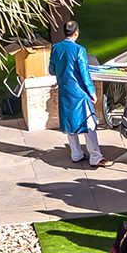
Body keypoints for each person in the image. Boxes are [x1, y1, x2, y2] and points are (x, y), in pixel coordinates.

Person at [50, 21, 109, 168]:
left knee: (70, 122)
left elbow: (52, 69)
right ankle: (95, 157)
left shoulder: (56, 48)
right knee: (89, 124)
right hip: (79, 92)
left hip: (64, 90)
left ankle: (76, 154)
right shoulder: (79, 50)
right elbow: (84, 73)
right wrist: (92, 91)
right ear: (76, 32)